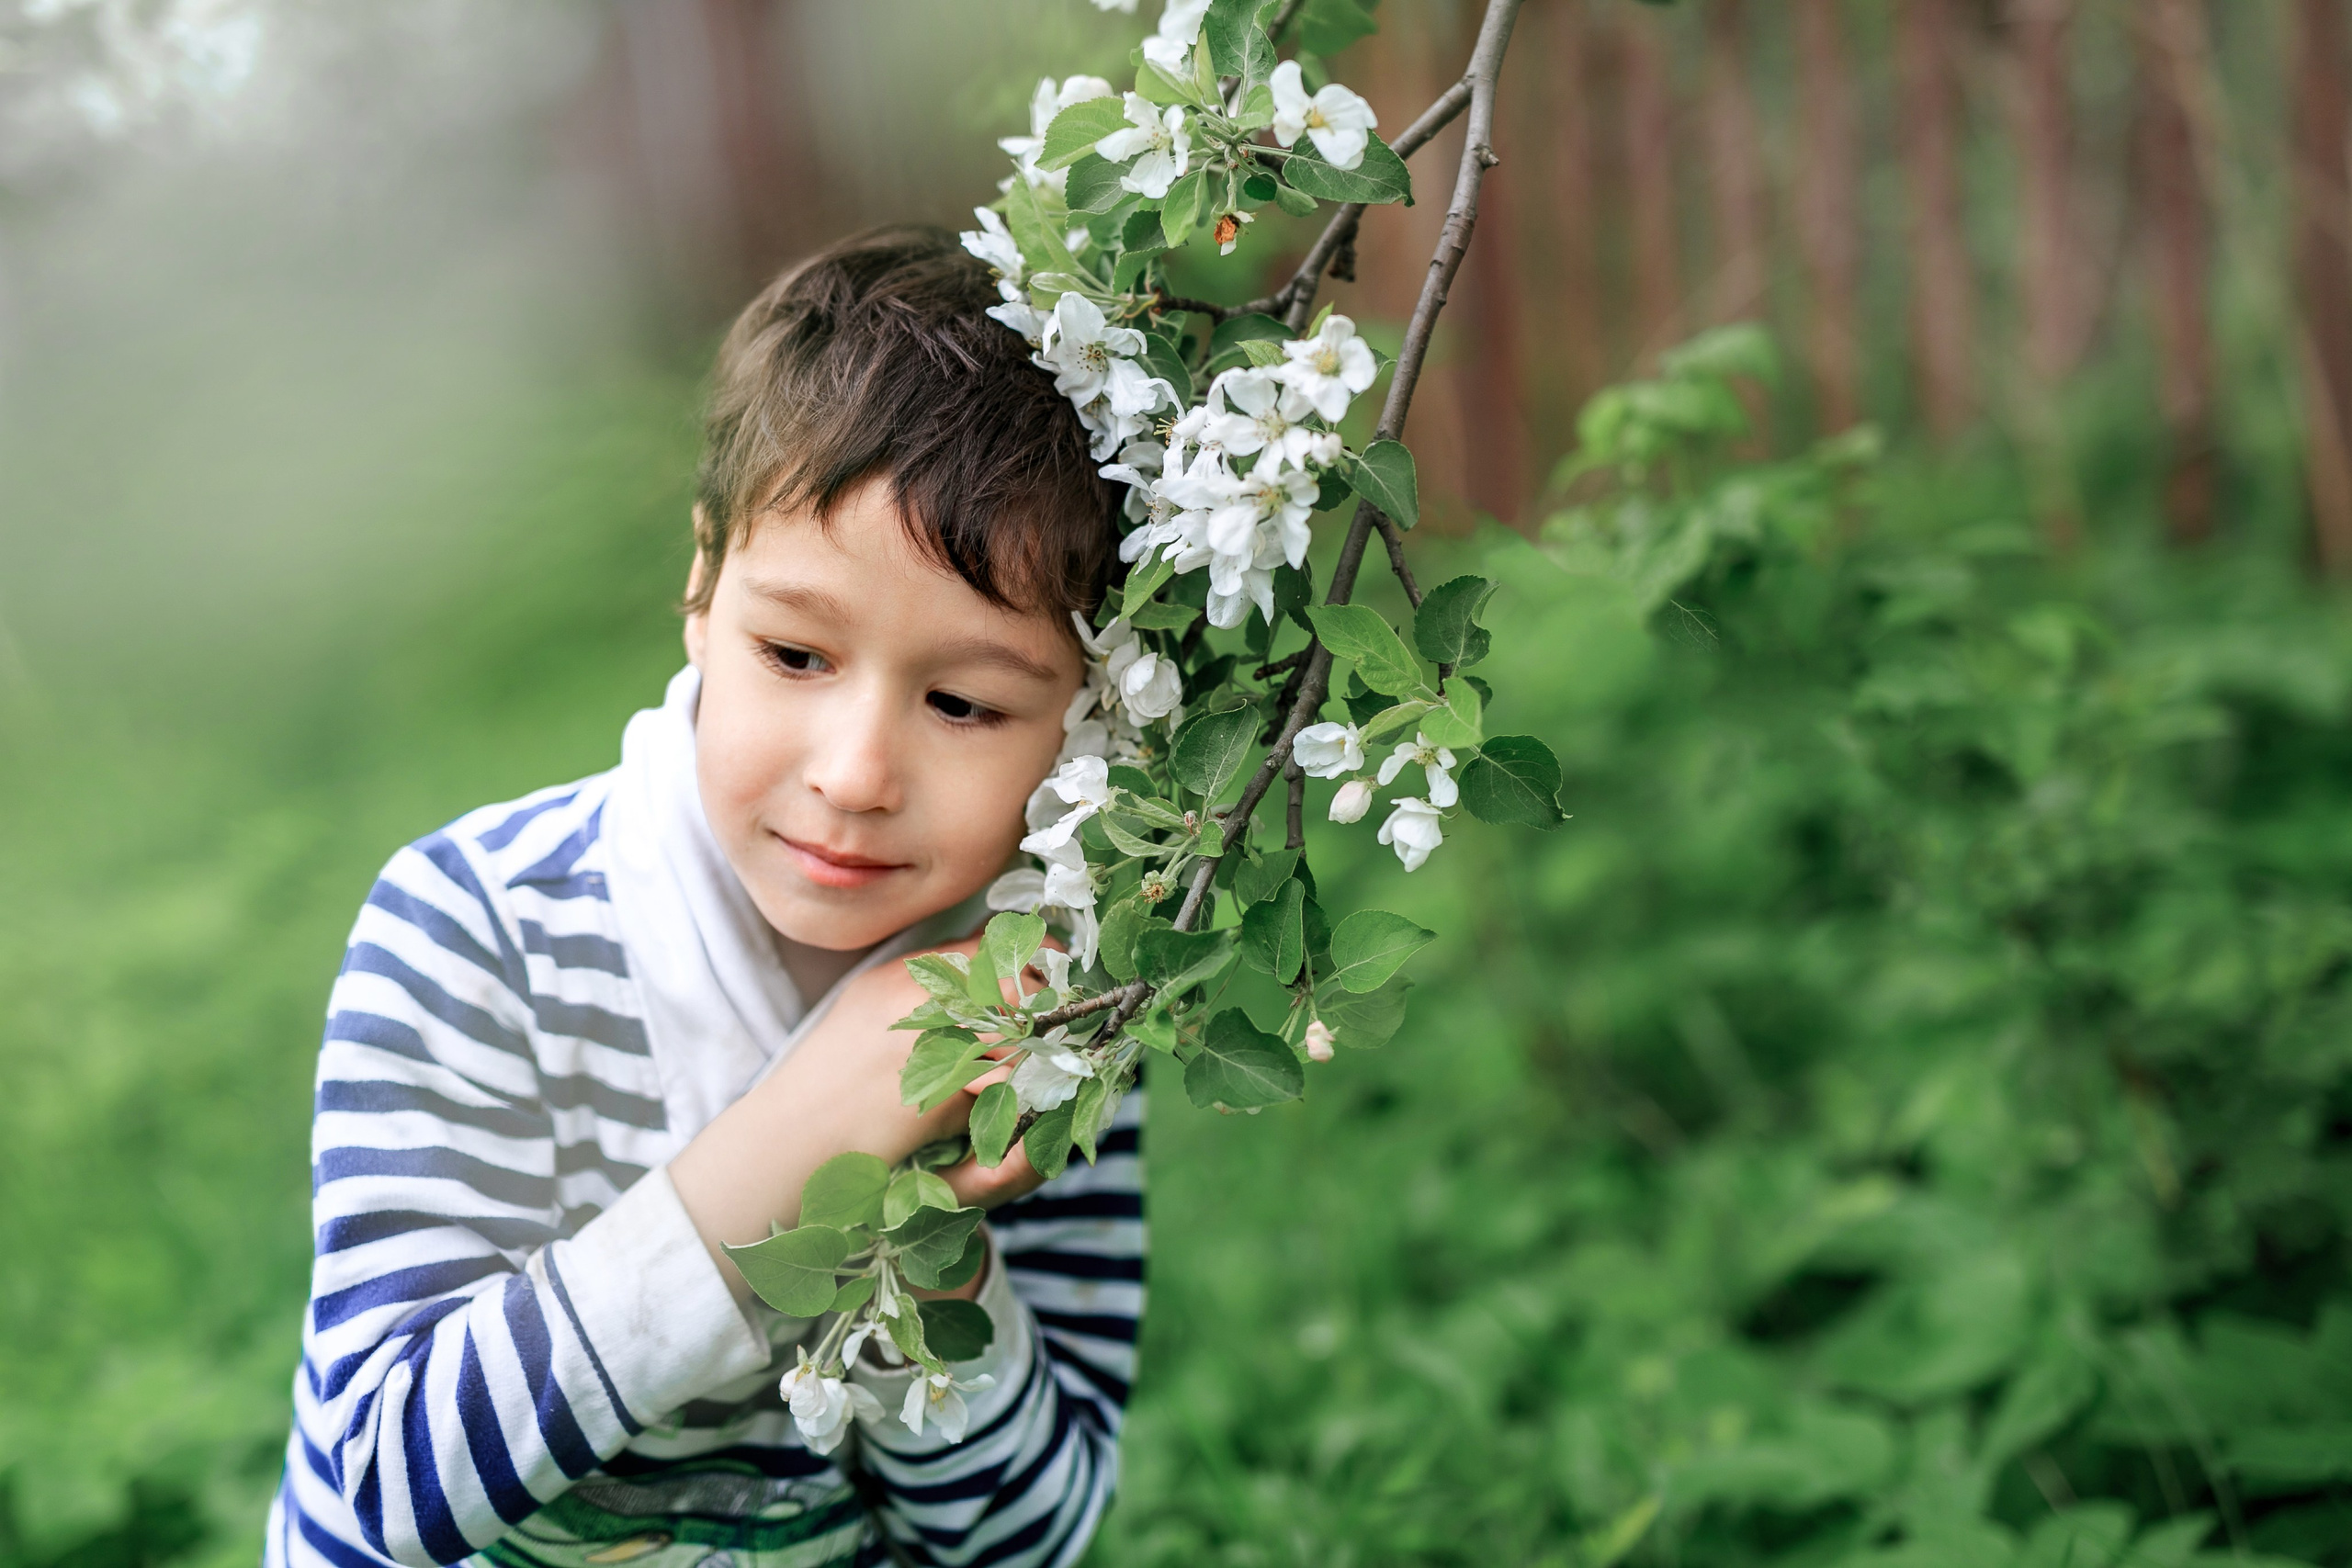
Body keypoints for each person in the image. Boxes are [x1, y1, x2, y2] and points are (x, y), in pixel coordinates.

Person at [265, 229, 1143, 1568]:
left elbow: (1027, 1539)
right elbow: (390, 1478)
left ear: (1085, 721)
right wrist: (800, 1144)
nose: (854, 775)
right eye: (795, 653)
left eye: (963, 702)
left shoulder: (1051, 1015)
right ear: (700, 587)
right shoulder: (477, 932)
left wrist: (938, 1257)